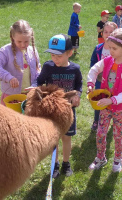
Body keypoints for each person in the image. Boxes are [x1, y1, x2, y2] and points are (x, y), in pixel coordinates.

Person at [87, 28, 122, 172]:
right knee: (100, 133)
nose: (111, 52)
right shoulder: (108, 60)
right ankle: (100, 158)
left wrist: (113, 100)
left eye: (114, 48)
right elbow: (94, 69)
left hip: (119, 109)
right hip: (105, 106)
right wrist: (90, 83)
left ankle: (117, 159)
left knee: (117, 134)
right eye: (109, 48)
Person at [37, 34, 83, 178]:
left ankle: (66, 163)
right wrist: (39, 92)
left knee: (66, 138)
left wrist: (77, 95)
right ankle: (55, 163)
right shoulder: (48, 66)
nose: (55, 59)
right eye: (52, 55)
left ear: (70, 53)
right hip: (52, 111)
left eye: (59, 55)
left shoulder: (75, 69)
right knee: (54, 138)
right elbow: (39, 81)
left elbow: (79, 85)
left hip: (68, 111)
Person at [0, 20, 41, 105]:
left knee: (28, 118)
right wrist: (8, 77)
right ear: (12, 37)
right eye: (19, 41)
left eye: (26, 41)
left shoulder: (32, 50)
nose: (23, 45)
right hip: (11, 95)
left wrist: (35, 84)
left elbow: (38, 69)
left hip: (30, 95)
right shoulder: (5, 51)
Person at [89, 22, 118, 132]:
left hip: (113, 82)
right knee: (99, 102)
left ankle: (112, 121)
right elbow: (93, 64)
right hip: (99, 81)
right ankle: (96, 120)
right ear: (102, 33)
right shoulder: (98, 48)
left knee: (112, 100)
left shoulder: (117, 49)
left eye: (111, 32)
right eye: (106, 32)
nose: (108, 34)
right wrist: (96, 74)